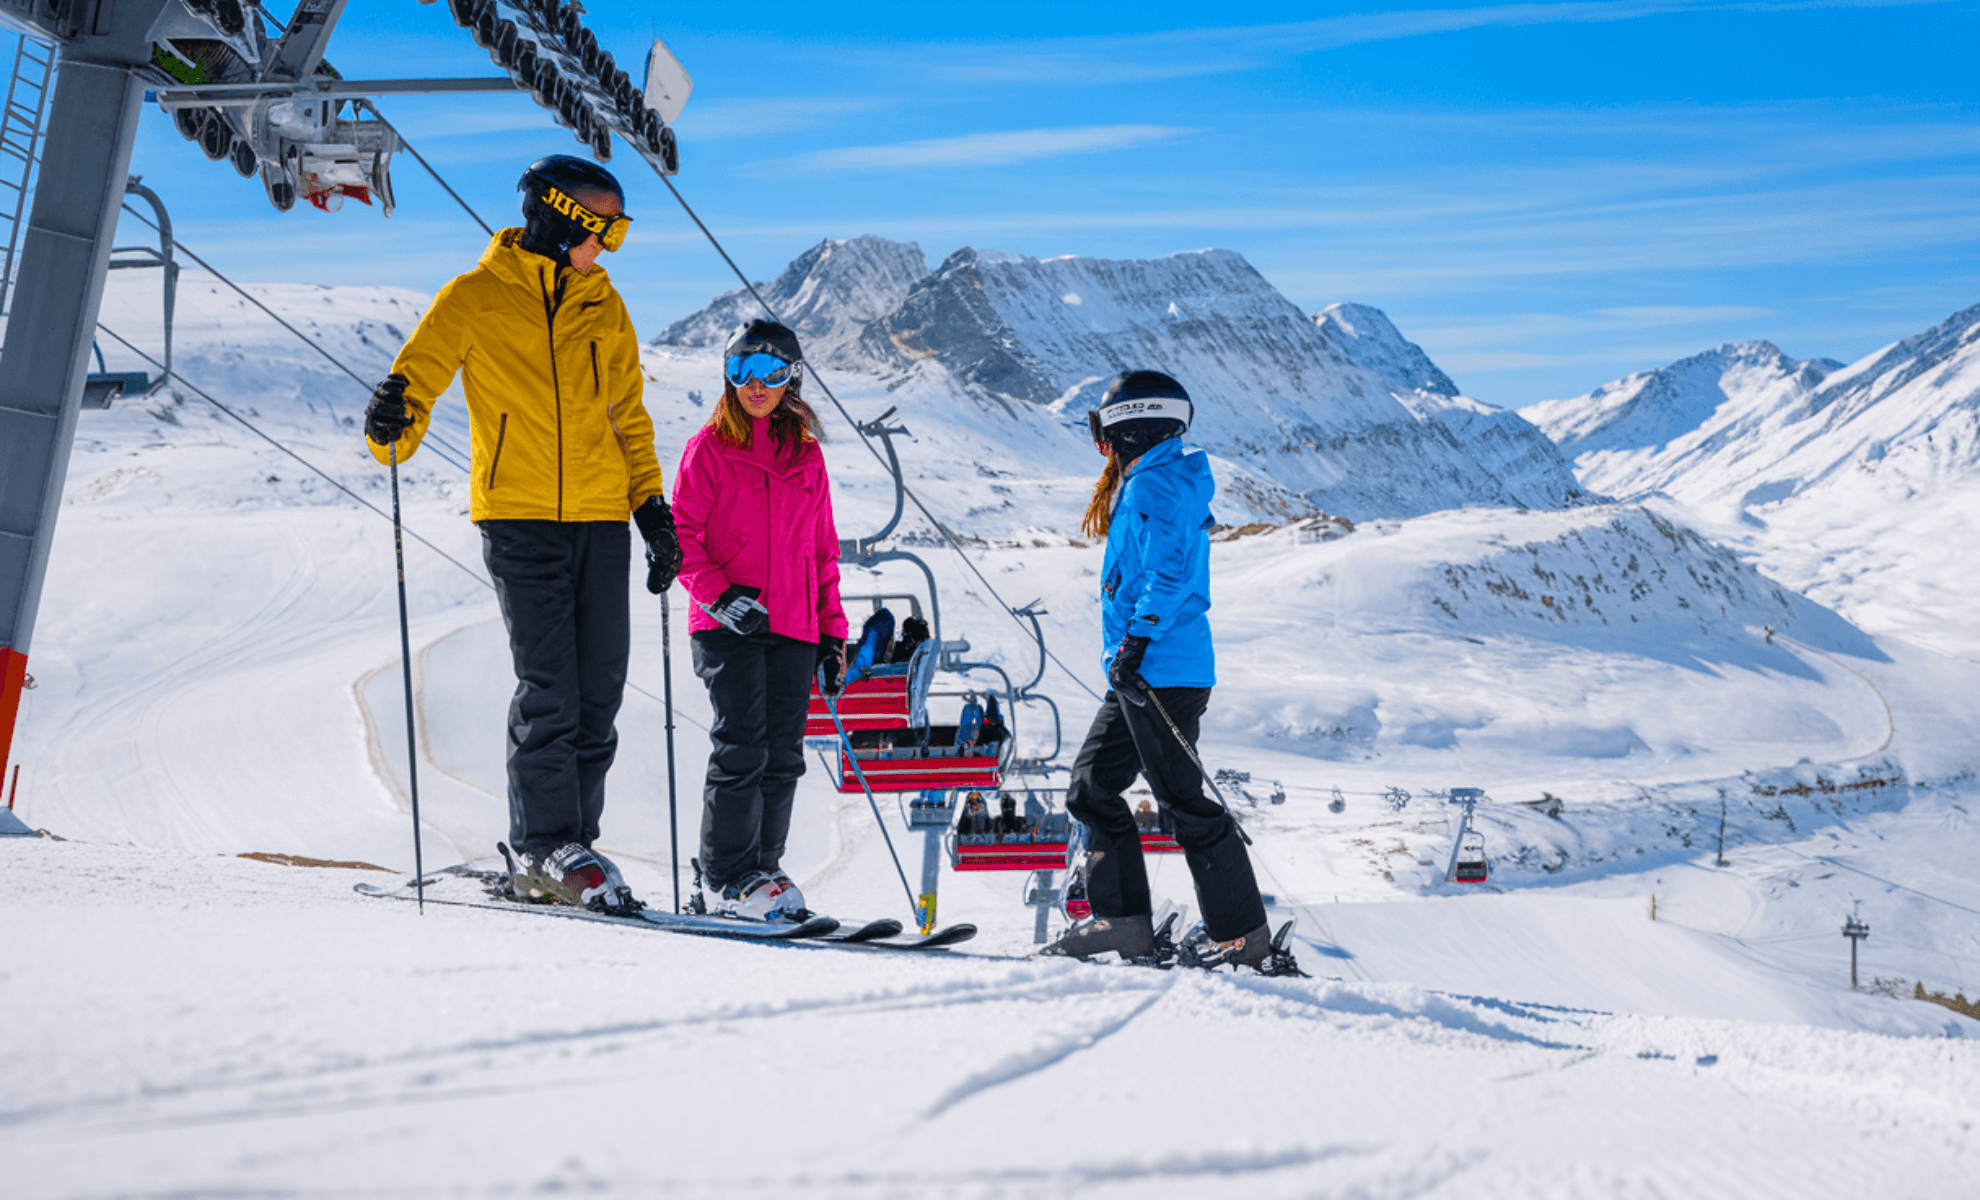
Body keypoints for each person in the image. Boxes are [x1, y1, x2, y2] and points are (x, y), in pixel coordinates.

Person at [363, 155, 680, 913]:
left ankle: (575, 844)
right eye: (606, 228)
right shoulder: (474, 298)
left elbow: (628, 419)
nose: (608, 247)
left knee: (599, 690)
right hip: (519, 514)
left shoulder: (606, 307)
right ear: (562, 216)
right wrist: (390, 423)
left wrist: (651, 511)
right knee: (552, 690)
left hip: (600, 519)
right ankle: (541, 846)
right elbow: (410, 402)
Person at [1041, 370, 1290, 972]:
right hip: (1141, 668)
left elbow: (1170, 574)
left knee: (1181, 801)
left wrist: (1136, 640)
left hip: (1158, 667)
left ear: (1130, 427)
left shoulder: (1157, 485)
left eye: (1101, 433)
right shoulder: (1153, 479)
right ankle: (1124, 923)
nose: (1100, 447)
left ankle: (1241, 935)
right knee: (1092, 785)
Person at [672, 319, 849, 919]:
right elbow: (683, 538)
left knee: (783, 753)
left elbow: (822, 549)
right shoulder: (710, 448)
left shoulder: (806, 455)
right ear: (728, 375)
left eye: (771, 373)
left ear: (790, 379)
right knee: (742, 745)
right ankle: (724, 877)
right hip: (729, 623)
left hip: (796, 626)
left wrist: (832, 635)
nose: (756, 385)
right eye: (743, 370)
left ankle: (763, 871)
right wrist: (720, 597)